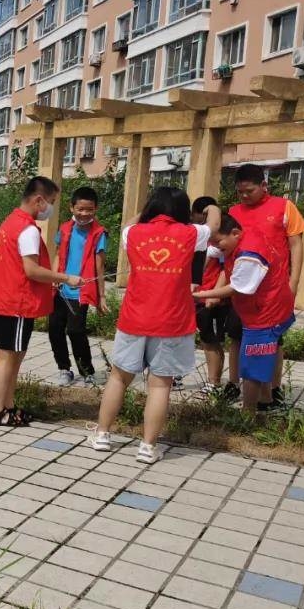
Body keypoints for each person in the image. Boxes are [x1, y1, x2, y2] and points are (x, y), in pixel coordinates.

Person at [90, 189, 220, 464]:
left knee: (118, 378)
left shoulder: (134, 233)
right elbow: (215, 225)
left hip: (135, 318)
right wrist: (210, 207)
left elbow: (129, 223)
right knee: (161, 385)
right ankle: (148, 447)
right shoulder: (189, 234)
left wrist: (147, 209)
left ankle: (102, 434)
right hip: (172, 321)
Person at [0, 176, 80, 427]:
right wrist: (65, 277)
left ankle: (8, 406)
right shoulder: (27, 229)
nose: (51, 207)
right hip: (15, 302)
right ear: (39, 200)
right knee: (8, 357)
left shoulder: (10, 222)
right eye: (51, 202)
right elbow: (32, 270)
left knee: (13, 356)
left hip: (3, 299)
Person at [194, 214, 297, 414]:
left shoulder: (250, 252)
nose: (215, 247)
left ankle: (248, 414)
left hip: (265, 314)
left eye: (217, 242)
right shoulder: (242, 239)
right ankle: (265, 402)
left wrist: (201, 293)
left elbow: (238, 288)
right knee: (262, 358)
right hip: (265, 309)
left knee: (252, 366)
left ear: (235, 233)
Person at [224, 164, 304, 407]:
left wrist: (293, 282)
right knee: (236, 336)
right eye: (240, 192)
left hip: (273, 291)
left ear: (263, 186)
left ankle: (273, 388)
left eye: (249, 190)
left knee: (272, 341)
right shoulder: (233, 212)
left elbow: (296, 245)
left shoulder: (283, 207)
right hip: (240, 289)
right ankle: (233, 383)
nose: (245, 196)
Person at [49, 186, 108, 387]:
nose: (84, 214)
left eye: (89, 209)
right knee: (55, 329)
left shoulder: (99, 233)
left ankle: (87, 371)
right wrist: (56, 276)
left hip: (81, 292)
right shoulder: (64, 229)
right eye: (80, 209)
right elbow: (58, 253)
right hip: (60, 289)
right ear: (71, 207)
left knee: (76, 331)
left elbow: (100, 265)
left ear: (95, 209)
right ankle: (64, 368)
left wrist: (102, 296)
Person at [191, 196, 228, 395]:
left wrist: (214, 296)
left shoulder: (219, 239)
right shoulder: (198, 236)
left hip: (211, 298)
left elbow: (225, 269)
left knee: (211, 342)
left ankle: (214, 383)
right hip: (198, 296)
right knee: (205, 340)